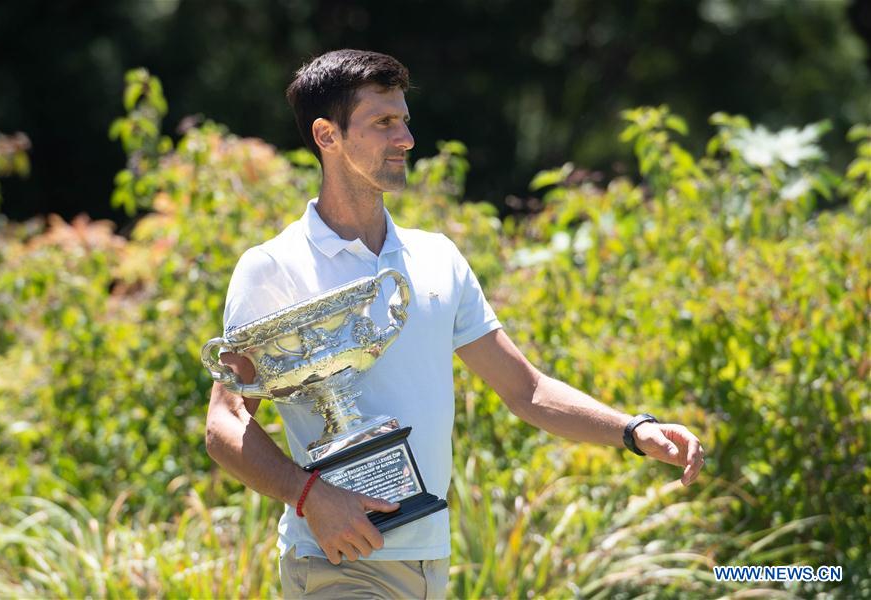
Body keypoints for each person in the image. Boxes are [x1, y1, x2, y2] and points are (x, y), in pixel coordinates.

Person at [204, 49, 705, 599]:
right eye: (383, 123)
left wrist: (632, 431)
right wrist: (310, 497)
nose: (406, 139)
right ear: (328, 136)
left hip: (431, 563)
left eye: (405, 121)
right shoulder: (272, 267)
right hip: (334, 562)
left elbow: (526, 389)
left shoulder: (436, 257)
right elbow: (226, 425)